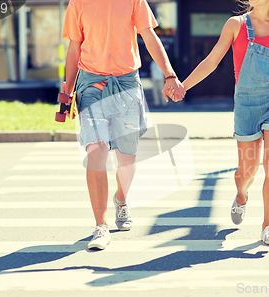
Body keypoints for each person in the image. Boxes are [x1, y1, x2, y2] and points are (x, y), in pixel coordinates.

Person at [62, 0, 185, 250]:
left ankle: (121, 198)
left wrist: (170, 74)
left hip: (127, 84)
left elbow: (149, 37)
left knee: (127, 158)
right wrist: (66, 92)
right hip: (91, 84)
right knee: (95, 150)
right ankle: (101, 225)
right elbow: (74, 49)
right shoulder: (78, 3)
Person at [177, 0, 269, 245]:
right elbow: (211, 61)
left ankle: (268, 226)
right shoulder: (236, 24)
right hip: (246, 103)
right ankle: (242, 196)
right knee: (247, 171)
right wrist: (183, 86)